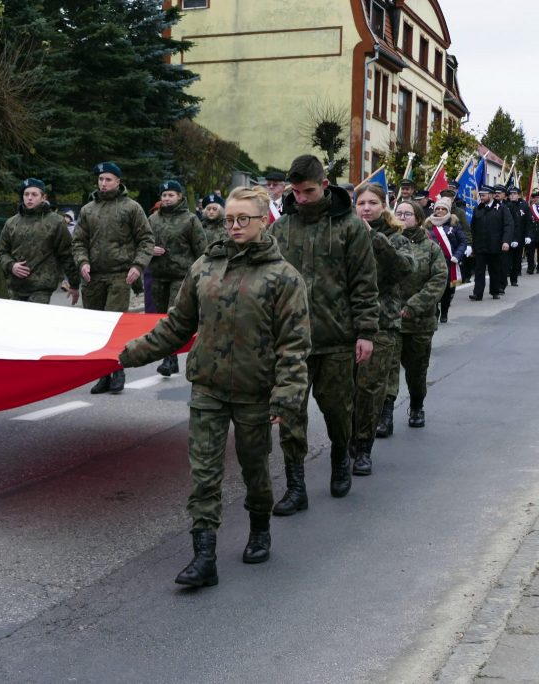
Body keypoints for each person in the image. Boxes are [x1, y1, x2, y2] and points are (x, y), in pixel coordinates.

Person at [119, 186, 310, 588]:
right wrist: (125, 355)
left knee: (255, 468)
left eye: (244, 219)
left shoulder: (283, 277)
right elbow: (177, 325)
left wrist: (286, 398)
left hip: (255, 391)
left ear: (263, 221)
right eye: (229, 220)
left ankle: (260, 528)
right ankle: (203, 556)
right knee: (204, 475)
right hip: (208, 387)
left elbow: (294, 345)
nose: (235, 226)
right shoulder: (205, 266)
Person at [267, 154, 378, 512]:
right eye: (295, 192)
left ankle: (340, 462)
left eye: (309, 191)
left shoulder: (351, 227)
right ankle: (296, 486)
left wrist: (366, 332)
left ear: (325, 186)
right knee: (290, 414)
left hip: (336, 339)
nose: (301, 198)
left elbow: (364, 283)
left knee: (337, 410)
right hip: (292, 343)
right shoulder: (281, 228)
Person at [71, 161, 154, 394]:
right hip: (93, 276)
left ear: (118, 181)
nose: (103, 183)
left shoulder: (131, 208)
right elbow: (78, 241)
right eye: (100, 179)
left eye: (108, 179)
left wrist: (138, 265)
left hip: (120, 275)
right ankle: (102, 375)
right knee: (96, 327)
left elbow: (146, 239)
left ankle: (118, 370)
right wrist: (82, 261)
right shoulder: (88, 210)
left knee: (113, 325)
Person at [350, 184, 413, 475]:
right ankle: (346, 442)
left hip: (381, 323)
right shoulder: (345, 233)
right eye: (360, 202)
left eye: (372, 202)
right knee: (344, 390)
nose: (366, 207)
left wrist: (374, 237)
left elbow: (403, 269)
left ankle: (363, 447)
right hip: (346, 323)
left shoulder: (395, 238)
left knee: (370, 389)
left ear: (383, 205)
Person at [391, 201, 447, 428]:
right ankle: (384, 415)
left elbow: (438, 280)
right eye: (399, 213)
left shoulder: (431, 248)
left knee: (416, 371)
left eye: (408, 214)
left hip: (419, 321)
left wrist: (414, 305)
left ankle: (416, 406)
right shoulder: (386, 243)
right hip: (389, 320)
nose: (403, 217)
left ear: (418, 217)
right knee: (386, 373)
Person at [147, 180, 207, 376]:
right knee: (161, 317)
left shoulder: (190, 220)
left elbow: (201, 249)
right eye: (164, 195)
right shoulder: (153, 219)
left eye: (170, 195)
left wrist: (202, 275)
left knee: (173, 315)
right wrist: (149, 250)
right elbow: (142, 243)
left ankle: (169, 358)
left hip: (181, 276)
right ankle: (170, 357)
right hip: (158, 275)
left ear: (179, 196)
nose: (166, 199)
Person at [0, 178, 80, 306]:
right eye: (26, 194)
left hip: (41, 288)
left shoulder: (55, 222)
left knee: (34, 323)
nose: (29, 198)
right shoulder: (12, 223)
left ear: (43, 197)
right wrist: (11, 265)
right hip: (17, 286)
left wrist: (74, 284)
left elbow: (67, 254)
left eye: (34, 194)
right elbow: (1, 252)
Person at [468, 185, 513, 301]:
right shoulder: (478, 209)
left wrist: (506, 241)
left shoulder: (502, 209)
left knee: (494, 270)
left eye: (483, 195)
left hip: (495, 245)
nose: (481, 198)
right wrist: (472, 245)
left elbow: (508, 226)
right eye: (480, 195)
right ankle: (477, 293)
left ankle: (495, 291)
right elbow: (473, 228)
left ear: (491, 195)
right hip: (480, 246)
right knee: (479, 271)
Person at [426, 197, 467, 323]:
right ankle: (435, 311)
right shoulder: (428, 225)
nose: (440, 211)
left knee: (448, 290)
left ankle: (444, 311)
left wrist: (457, 255)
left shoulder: (454, 224)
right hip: (432, 263)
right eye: (437, 208)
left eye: (443, 209)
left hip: (449, 262)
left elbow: (462, 242)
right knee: (433, 288)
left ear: (447, 210)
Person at [505, 186, 529, 286]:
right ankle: (504, 279)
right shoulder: (506, 205)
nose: (512, 195)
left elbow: (527, 222)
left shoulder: (524, 205)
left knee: (516, 260)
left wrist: (528, 235)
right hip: (508, 237)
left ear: (518, 195)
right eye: (510, 194)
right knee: (506, 260)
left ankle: (514, 279)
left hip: (520, 236)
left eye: (514, 194)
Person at [528, 189, 539, 274]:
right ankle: (530, 267)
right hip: (532, 234)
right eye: (535, 198)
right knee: (530, 252)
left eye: (538, 197)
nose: (536, 199)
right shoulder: (530, 209)